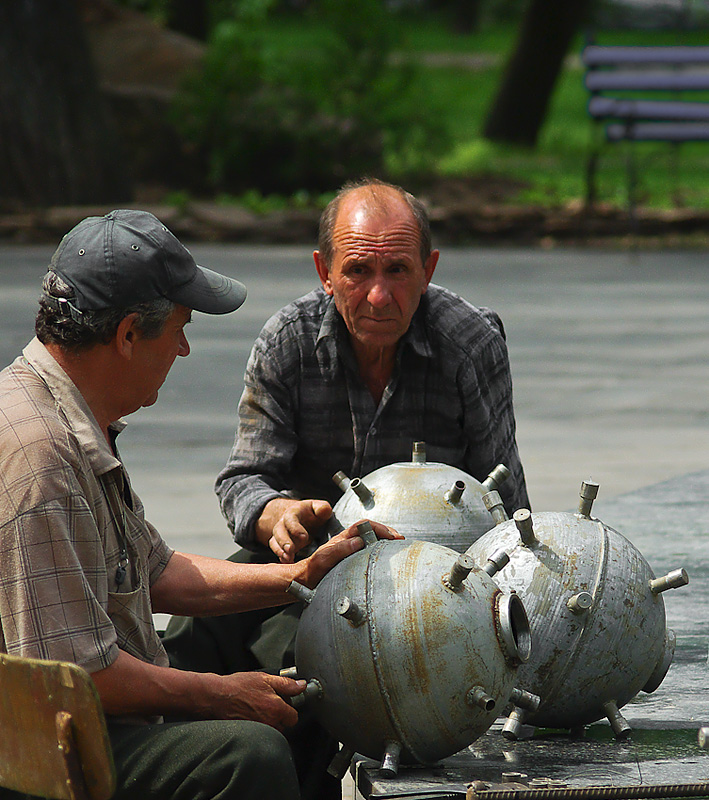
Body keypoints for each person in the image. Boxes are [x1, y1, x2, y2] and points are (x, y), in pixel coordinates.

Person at [0, 209, 397, 800]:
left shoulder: (65, 416)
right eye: (180, 328)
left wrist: (298, 577)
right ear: (129, 334)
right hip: (42, 757)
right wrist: (221, 692)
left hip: (78, 714)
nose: (185, 350)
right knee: (250, 754)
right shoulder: (43, 457)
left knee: (291, 695)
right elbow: (81, 676)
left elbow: (156, 570)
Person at [162, 179, 530, 797]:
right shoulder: (288, 340)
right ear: (324, 272)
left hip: (432, 587)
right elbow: (243, 479)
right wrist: (275, 514)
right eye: (358, 271)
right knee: (183, 642)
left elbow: (509, 512)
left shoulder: (470, 345)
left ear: (429, 269)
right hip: (305, 563)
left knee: (302, 677)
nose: (380, 294)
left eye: (398, 270)